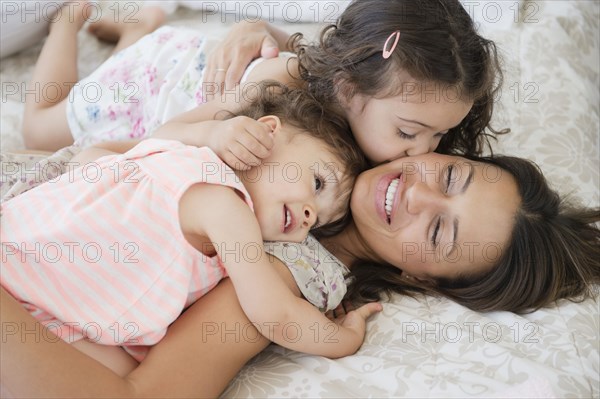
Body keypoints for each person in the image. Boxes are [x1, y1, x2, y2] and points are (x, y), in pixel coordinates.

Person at [2, 149, 599, 397]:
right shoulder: (328, 147)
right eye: (449, 176)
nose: (417, 195)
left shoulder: (292, 274)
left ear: (420, 280)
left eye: (439, 231)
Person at [1, 83, 382, 379]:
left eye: (315, 220)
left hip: (16, 245)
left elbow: (89, 157)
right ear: (266, 132)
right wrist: (343, 339)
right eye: (317, 182)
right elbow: (276, 316)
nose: (306, 213)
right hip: (36, 302)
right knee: (119, 377)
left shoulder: (168, 154)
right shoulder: (226, 208)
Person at [22, 0, 505, 167]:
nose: (423, 152)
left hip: (190, 58)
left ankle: (136, 28)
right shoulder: (274, 88)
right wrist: (214, 133)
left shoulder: (363, 87)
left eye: (438, 134)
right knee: (39, 131)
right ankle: (68, 22)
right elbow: (162, 136)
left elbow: (296, 46)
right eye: (408, 132)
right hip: (155, 86)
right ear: (347, 89)